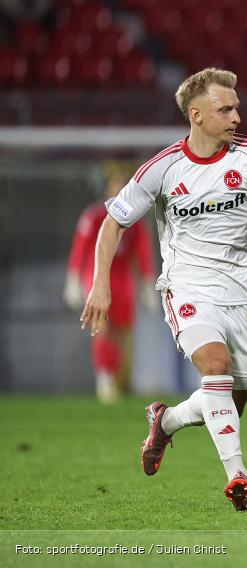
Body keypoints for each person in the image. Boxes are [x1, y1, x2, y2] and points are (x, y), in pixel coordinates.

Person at [80, 67, 247, 511]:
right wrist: (100, 283)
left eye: (237, 107)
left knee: (228, 405)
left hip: (244, 293)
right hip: (188, 288)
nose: (237, 116)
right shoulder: (162, 170)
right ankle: (238, 478)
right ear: (197, 115)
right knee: (216, 366)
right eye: (226, 109)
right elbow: (113, 223)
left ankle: (165, 420)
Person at [64, 166, 157, 403]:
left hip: (124, 281)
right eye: (115, 184)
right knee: (102, 329)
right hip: (96, 277)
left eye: (123, 185)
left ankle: (121, 380)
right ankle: (104, 378)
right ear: (108, 188)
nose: (119, 190)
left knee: (124, 334)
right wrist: (73, 280)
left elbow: (143, 253)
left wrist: (147, 284)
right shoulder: (93, 216)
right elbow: (80, 248)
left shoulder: (136, 222)